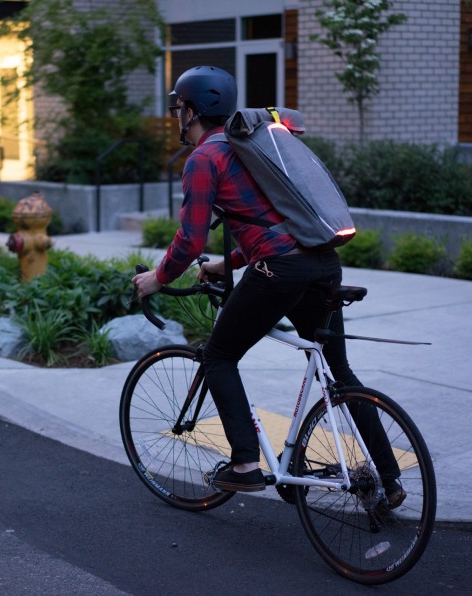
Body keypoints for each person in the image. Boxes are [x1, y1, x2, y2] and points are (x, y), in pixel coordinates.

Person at [132, 66, 405, 508]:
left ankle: (243, 466)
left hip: (279, 271)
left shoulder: (204, 159)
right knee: (341, 374)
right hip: (323, 264)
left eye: (177, 109)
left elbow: (189, 239)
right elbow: (277, 224)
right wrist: (227, 263)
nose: (176, 117)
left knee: (219, 356)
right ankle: (390, 480)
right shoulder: (254, 145)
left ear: (190, 110)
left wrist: (156, 278)